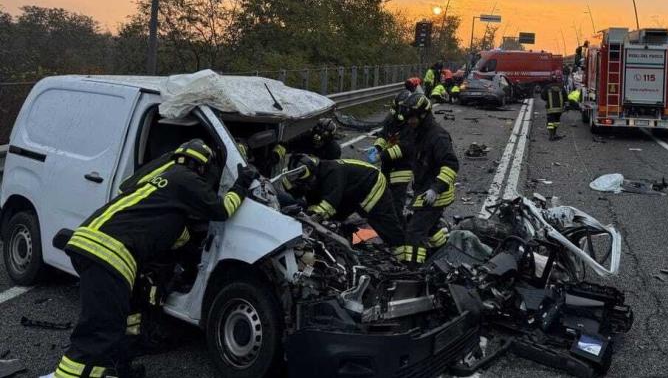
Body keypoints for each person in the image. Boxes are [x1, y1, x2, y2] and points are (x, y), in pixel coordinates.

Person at [47, 140, 256, 378]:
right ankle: (71, 374)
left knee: (123, 321)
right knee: (98, 333)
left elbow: (162, 229)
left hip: (93, 243)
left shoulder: (159, 185)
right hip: (108, 254)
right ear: (201, 167)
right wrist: (243, 182)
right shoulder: (185, 179)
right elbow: (222, 210)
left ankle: (121, 368)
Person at [283, 154, 405, 254]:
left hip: (370, 184)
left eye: (308, 182)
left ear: (314, 172)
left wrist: (310, 220)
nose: (308, 186)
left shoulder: (332, 172)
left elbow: (329, 204)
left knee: (382, 221)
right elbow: (312, 203)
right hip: (350, 191)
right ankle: (351, 237)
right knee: (335, 220)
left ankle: (404, 254)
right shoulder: (314, 179)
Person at [398, 93, 459, 266]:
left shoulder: (438, 137)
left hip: (436, 193)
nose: (410, 121)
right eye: (408, 118)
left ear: (423, 115)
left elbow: (451, 165)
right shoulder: (418, 131)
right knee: (430, 228)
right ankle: (444, 254)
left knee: (414, 232)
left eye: (413, 118)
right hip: (423, 188)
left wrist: (435, 189)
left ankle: (414, 269)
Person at [367, 91, 415, 215]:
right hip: (388, 164)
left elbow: (403, 148)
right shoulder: (392, 119)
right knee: (384, 194)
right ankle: (385, 216)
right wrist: (377, 147)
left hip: (402, 167)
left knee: (397, 199)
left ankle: (397, 221)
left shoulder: (412, 125)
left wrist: (381, 155)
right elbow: (384, 134)